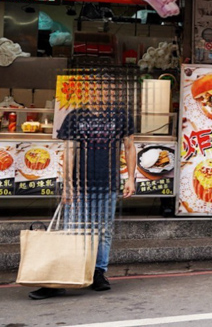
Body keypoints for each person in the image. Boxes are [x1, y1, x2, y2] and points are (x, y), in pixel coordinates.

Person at [29, 93, 136, 299]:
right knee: (72, 232)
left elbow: (130, 147)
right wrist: (67, 184)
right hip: (79, 185)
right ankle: (59, 280)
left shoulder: (122, 117)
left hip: (108, 184)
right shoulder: (75, 117)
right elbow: (68, 152)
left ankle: (98, 273)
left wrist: (131, 178)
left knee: (103, 231)